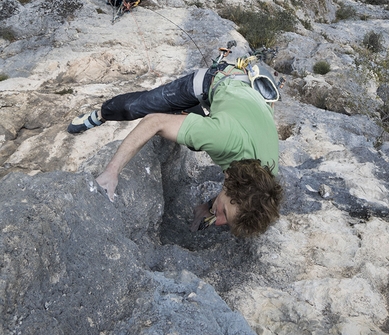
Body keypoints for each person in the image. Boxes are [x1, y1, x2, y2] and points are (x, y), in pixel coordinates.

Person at [68, 58, 283, 237]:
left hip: (247, 103)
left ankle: (187, 118)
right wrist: (111, 172)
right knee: (138, 106)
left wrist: (209, 207)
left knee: (195, 140)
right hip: (217, 81)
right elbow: (153, 122)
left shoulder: (264, 180)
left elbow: (239, 193)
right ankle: (100, 115)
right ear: (237, 187)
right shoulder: (223, 138)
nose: (218, 222)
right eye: (224, 213)